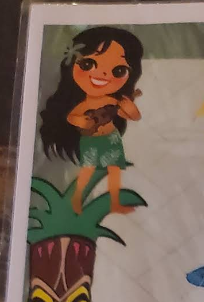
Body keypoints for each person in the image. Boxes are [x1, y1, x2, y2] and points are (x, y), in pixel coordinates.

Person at [40, 26, 143, 214]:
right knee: (87, 171)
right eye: (88, 64)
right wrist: (85, 123)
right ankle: (77, 200)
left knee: (114, 170)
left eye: (118, 70)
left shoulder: (112, 100)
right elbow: (72, 117)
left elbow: (133, 116)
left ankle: (114, 201)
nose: (103, 74)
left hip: (111, 138)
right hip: (92, 141)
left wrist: (129, 107)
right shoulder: (85, 103)